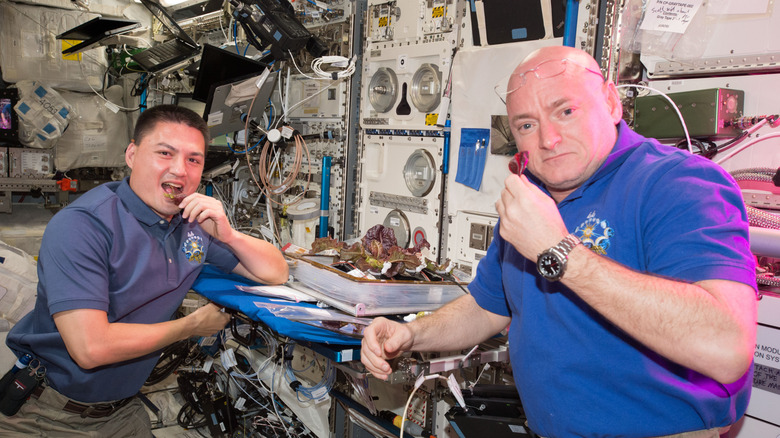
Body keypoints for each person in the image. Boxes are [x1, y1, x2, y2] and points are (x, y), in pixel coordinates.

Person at [361, 46, 758, 438]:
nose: (549, 139)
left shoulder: (678, 184)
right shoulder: (532, 194)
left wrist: (557, 250)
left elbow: (726, 350)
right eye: (527, 125)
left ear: (611, 103)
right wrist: (413, 335)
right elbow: (488, 307)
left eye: (565, 111)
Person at [2, 105, 289, 436]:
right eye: (165, 153)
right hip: (48, 413)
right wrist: (193, 325)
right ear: (132, 155)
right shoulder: (84, 225)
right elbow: (91, 349)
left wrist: (230, 235)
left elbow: (275, 272)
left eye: (194, 160)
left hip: (122, 411)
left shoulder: (193, 226)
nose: (180, 170)